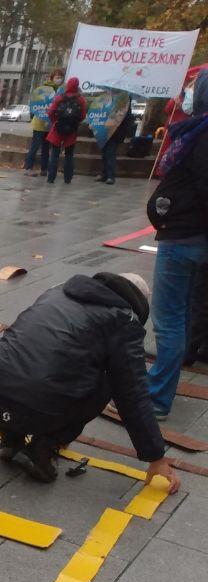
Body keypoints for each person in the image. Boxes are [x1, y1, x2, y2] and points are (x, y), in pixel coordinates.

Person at [0, 272, 179, 493]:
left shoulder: (56, 291)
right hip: (35, 404)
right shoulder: (122, 318)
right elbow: (133, 393)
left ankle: (11, 439)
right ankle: (42, 451)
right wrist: (156, 456)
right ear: (138, 303)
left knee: (22, 365)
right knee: (110, 381)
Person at [145, 71, 208, 418]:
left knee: (168, 319)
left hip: (184, 236)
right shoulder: (197, 132)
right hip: (188, 234)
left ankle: (156, 397)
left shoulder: (202, 135)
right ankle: (164, 380)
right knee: (179, 315)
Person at [46, 77, 88, 185]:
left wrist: (55, 121)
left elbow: (51, 112)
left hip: (58, 128)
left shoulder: (60, 97)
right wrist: (75, 122)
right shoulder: (81, 99)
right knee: (69, 155)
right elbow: (83, 115)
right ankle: (67, 178)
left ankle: (51, 177)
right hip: (72, 130)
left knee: (54, 154)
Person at [24, 68, 64, 177]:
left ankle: (44, 169)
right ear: (52, 78)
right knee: (35, 146)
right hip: (39, 123)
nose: (59, 79)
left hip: (50, 125)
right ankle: (28, 168)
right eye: (57, 77)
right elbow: (35, 104)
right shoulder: (43, 89)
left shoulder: (60, 91)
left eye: (61, 77)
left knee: (46, 148)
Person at [97, 95, 136, 185]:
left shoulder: (125, 104)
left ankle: (111, 176)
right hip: (105, 130)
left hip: (116, 133)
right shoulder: (109, 100)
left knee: (110, 153)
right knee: (104, 152)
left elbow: (126, 119)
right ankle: (104, 174)